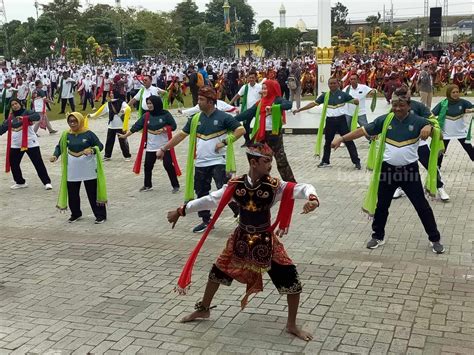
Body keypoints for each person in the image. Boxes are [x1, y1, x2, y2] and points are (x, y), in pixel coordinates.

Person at [167, 142, 319, 341]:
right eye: (266, 162)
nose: (270, 166)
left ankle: (291, 324)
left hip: (266, 241)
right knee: (217, 272)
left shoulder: (274, 187)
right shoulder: (236, 186)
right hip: (240, 239)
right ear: (254, 163)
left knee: (291, 278)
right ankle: (204, 309)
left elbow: (302, 187)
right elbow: (210, 200)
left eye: (270, 162)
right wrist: (181, 210)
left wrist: (313, 198)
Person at [331, 93, 445, 254]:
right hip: (387, 171)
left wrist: (430, 128)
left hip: (409, 172)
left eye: (401, 105)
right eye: (394, 105)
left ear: (409, 106)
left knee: (422, 207)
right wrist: (342, 138)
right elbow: (362, 131)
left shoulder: (419, 121)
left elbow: (440, 136)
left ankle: (435, 239)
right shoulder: (384, 120)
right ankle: (377, 236)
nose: (397, 108)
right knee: (382, 206)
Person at [157, 86, 245, 233]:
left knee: (225, 190)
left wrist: (224, 142)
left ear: (210, 101)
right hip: (201, 162)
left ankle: (241, 215)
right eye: (198, 99)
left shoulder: (223, 117)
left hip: (219, 161)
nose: (198, 102)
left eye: (201, 99)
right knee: (201, 192)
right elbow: (180, 135)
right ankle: (206, 220)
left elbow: (241, 130)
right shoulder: (195, 119)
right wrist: (164, 148)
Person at [390, 86, 450, 201]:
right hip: (402, 144)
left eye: (405, 94)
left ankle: (440, 187)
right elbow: (388, 122)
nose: (403, 97)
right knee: (401, 167)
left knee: (430, 165)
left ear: (410, 94)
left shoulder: (419, 106)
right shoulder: (395, 107)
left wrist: (429, 125)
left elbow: (433, 120)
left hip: (419, 144)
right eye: (400, 95)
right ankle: (400, 187)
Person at [50, 112, 107, 224]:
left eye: (75, 121)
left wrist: (92, 150)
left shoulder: (88, 134)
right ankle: (76, 213)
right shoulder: (66, 134)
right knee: (73, 192)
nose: (73, 123)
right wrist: (55, 155)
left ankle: (100, 215)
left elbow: (100, 146)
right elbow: (60, 146)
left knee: (92, 192)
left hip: (88, 167)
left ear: (80, 121)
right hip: (73, 167)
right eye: (70, 121)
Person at [234, 79, 296, 182]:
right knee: (259, 160)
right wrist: (233, 119)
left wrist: (274, 107)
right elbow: (249, 113)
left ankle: (291, 184)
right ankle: (260, 182)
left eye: (266, 88)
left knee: (281, 161)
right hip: (261, 135)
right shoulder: (260, 103)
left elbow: (288, 105)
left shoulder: (277, 100)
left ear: (271, 89)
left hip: (274, 135)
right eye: (262, 88)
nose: (263, 90)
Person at [294, 77, 361, 169]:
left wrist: (356, 101)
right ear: (328, 85)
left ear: (338, 84)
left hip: (341, 121)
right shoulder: (325, 96)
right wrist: (300, 109)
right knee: (327, 142)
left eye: (334, 83)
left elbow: (354, 101)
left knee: (348, 140)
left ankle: (357, 162)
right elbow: (313, 104)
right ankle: (325, 161)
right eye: (330, 84)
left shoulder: (343, 95)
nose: (332, 85)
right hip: (330, 122)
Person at [119, 95, 180, 193]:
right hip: (151, 146)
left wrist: (164, 129)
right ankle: (147, 185)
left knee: (168, 165)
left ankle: (175, 185)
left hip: (165, 146)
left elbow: (173, 126)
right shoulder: (146, 116)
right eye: (147, 103)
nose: (149, 105)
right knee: (147, 165)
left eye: (151, 103)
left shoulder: (166, 114)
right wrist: (125, 136)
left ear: (156, 103)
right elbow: (136, 126)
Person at [0, 98, 52, 190]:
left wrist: (24, 118)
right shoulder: (10, 118)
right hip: (16, 144)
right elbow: (2, 129)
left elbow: (37, 117)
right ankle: (20, 182)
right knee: (14, 163)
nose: (15, 106)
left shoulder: (27, 112)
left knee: (38, 162)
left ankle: (46, 182)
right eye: (12, 105)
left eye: (16, 103)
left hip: (30, 142)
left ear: (20, 104)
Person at [432, 84, 474, 167]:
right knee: (441, 150)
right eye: (453, 92)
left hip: (460, 132)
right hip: (445, 133)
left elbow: (472, 107)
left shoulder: (463, 102)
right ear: (448, 93)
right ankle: (437, 167)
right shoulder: (443, 103)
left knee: (469, 149)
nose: (456, 94)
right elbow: (432, 113)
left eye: (457, 92)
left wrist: (471, 110)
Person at [88, 90, 132, 161]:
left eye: (112, 93)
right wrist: (91, 115)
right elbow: (100, 112)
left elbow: (128, 108)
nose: (111, 95)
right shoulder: (108, 104)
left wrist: (123, 111)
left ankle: (127, 155)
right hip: (111, 126)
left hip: (120, 126)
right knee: (109, 141)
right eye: (110, 93)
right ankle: (107, 155)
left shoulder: (122, 102)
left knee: (123, 141)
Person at [229, 70, 262, 146]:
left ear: (255, 78)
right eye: (250, 78)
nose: (251, 79)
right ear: (247, 78)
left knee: (260, 125)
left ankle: (259, 141)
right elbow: (237, 95)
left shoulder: (260, 87)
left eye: (253, 78)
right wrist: (230, 104)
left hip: (258, 110)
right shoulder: (245, 87)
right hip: (247, 110)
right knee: (245, 125)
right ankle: (247, 141)